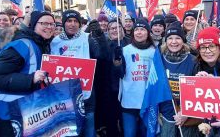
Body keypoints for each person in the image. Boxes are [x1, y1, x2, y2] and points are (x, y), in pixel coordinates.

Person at [0, 11, 55, 136]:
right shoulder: (22, 44)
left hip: (31, 111)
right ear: (33, 25)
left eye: (52, 24)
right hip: (11, 113)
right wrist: (31, 79)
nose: (49, 27)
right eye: (44, 23)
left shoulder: (43, 44)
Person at [51, 9, 108, 137]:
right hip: (64, 96)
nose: (72, 24)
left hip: (86, 94)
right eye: (69, 21)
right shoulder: (55, 41)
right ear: (64, 23)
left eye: (75, 21)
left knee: (88, 129)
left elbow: (102, 55)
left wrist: (99, 36)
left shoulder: (88, 38)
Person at [157, 21, 200, 137]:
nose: (174, 42)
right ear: (166, 41)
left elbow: (198, 91)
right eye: (170, 38)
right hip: (165, 112)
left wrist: (186, 112)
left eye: (178, 38)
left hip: (187, 114)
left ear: (183, 41)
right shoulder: (159, 60)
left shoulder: (193, 60)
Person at [116, 18, 155, 137]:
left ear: (148, 33)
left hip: (148, 101)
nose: (139, 32)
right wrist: (116, 63)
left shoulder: (154, 51)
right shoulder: (125, 50)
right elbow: (118, 74)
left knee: (146, 133)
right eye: (136, 29)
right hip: (129, 100)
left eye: (142, 29)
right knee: (129, 134)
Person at [104, 18, 131, 136]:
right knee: (111, 119)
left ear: (122, 29)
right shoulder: (104, 44)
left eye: (118, 27)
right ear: (108, 31)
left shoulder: (130, 42)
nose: (115, 30)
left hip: (128, 88)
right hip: (111, 88)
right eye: (112, 28)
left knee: (126, 119)